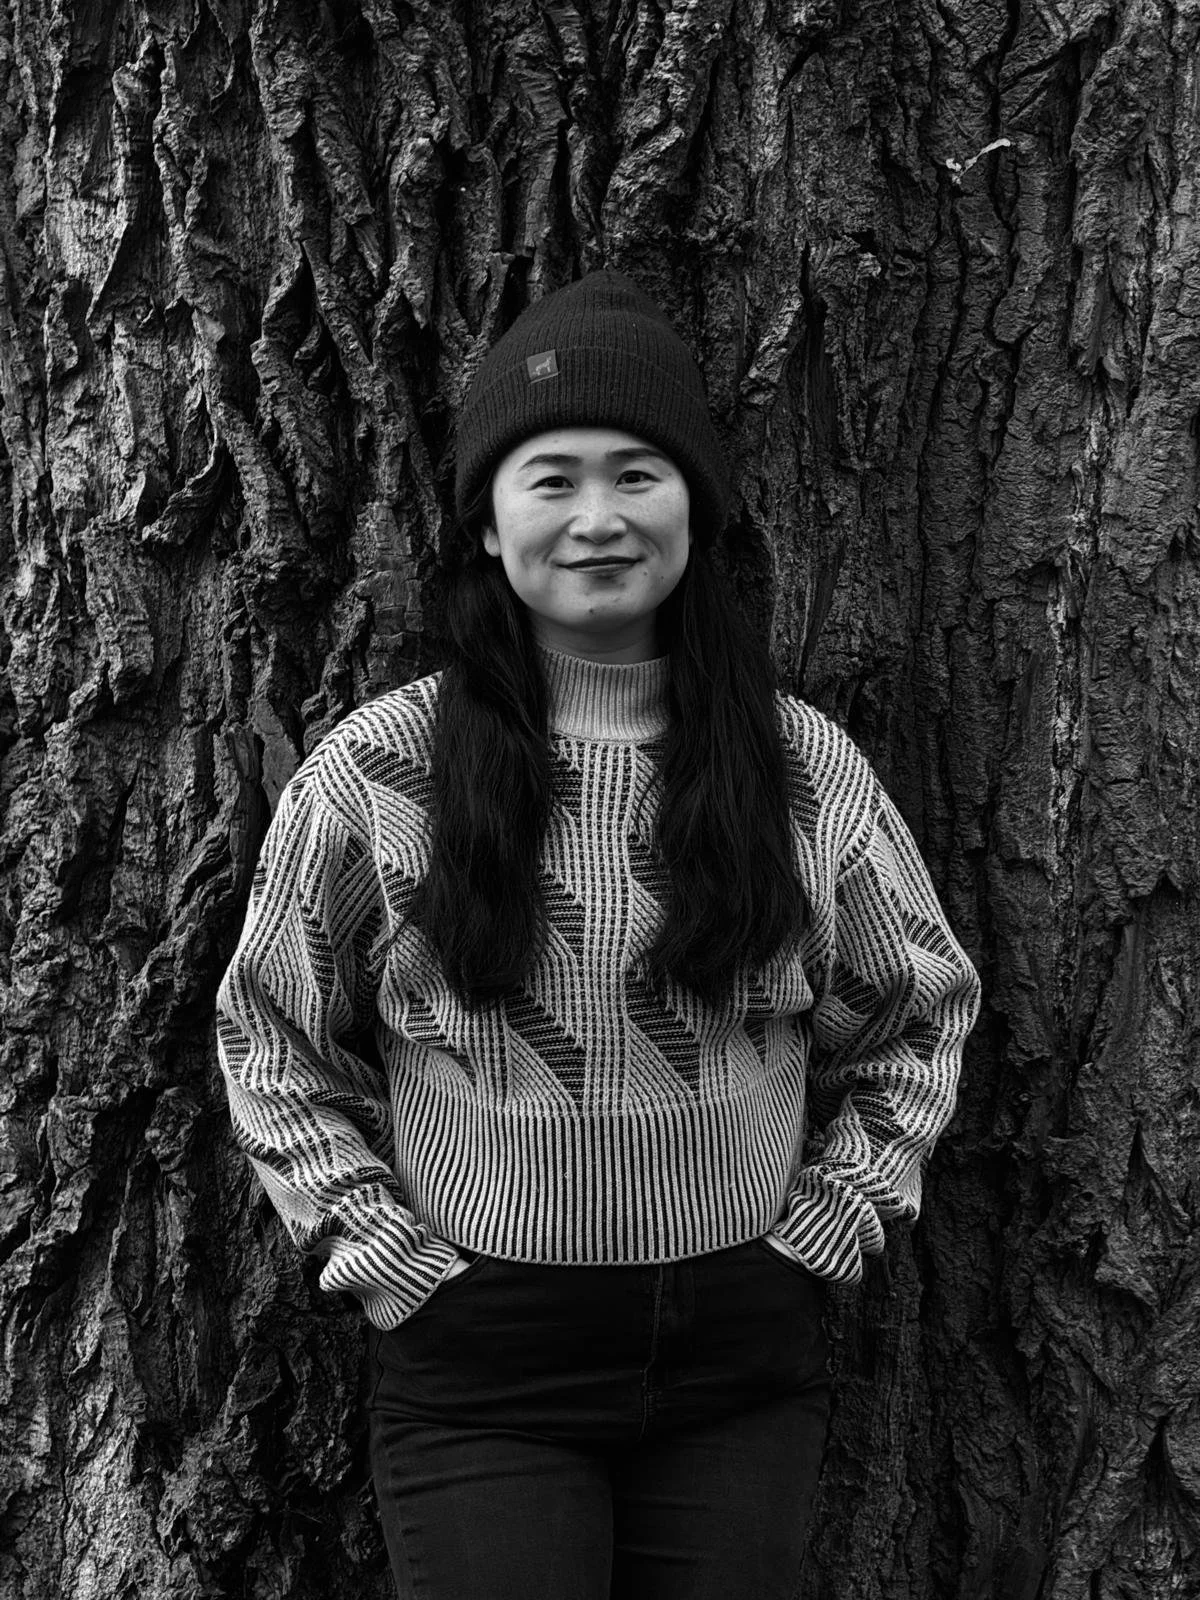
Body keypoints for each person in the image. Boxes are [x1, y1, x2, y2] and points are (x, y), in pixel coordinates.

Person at [216, 270, 981, 1599]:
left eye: (637, 474)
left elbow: (917, 1013)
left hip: (742, 1354)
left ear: (695, 507)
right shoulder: (384, 769)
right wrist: (381, 1254)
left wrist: (833, 1220)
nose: (596, 518)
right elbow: (272, 1035)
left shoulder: (798, 765)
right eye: (550, 479)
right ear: (488, 522)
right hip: (481, 1363)